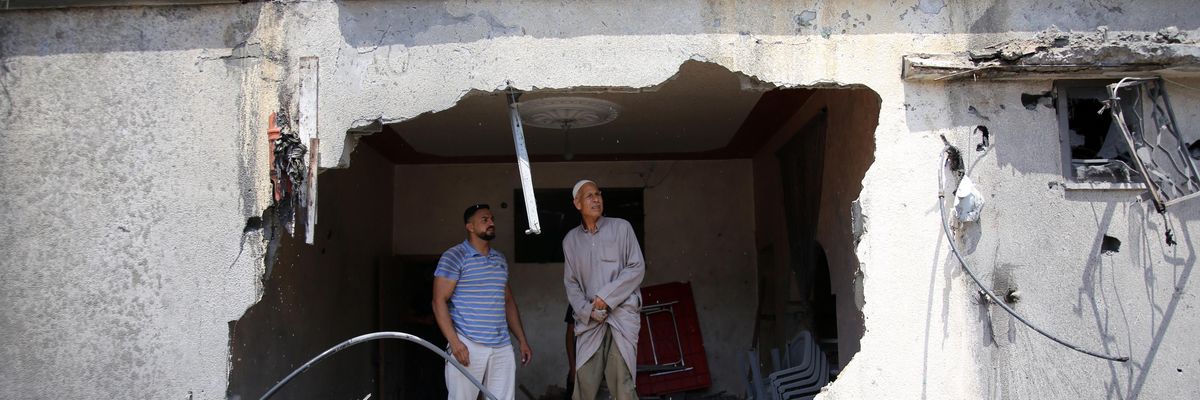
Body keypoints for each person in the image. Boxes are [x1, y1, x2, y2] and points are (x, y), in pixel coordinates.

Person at [433, 204, 533, 400]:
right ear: (470, 227)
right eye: (485, 220)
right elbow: (438, 301)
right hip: (468, 344)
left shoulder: (499, 260)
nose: (491, 223)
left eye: (492, 219)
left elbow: (508, 302)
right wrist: (455, 343)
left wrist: (521, 340)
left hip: (501, 346)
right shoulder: (454, 256)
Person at [563, 180, 645, 400]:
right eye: (589, 195)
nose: (596, 199)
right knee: (585, 386)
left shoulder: (621, 227)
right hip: (590, 322)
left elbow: (637, 267)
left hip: (621, 317)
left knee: (622, 385)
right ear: (577, 203)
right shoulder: (571, 240)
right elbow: (571, 284)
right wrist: (587, 310)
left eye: (598, 194)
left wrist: (605, 297)